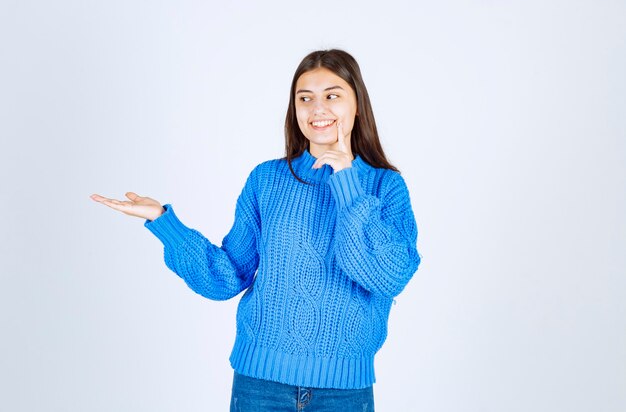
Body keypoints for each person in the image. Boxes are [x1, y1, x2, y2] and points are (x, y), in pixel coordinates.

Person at [91, 49, 421, 411]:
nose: (317, 108)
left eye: (332, 95)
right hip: (260, 386)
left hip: (343, 392)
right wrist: (164, 222)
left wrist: (346, 180)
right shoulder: (267, 180)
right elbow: (228, 276)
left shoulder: (384, 186)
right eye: (305, 98)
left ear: (357, 104)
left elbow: (389, 276)